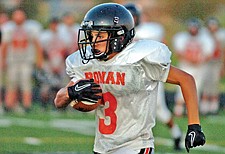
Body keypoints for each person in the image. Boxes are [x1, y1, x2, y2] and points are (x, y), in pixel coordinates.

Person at [54, 3, 205, 154]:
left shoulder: (139, 59)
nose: (93, 42)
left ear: (118, 36)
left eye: (99, 36)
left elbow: (186, 79)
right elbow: (59, 101)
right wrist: (71, 92)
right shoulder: (89, 63)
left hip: (136, 146)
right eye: (91, 35)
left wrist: (194, 126)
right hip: (102, 147)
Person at [124, 3, 182, 151]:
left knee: (160, 110)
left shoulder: (151, 31)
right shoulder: (120, 32)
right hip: (129, 77)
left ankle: (176, 133)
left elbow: (161, 50)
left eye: (134, 16)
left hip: (150, 75)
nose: (131, 19)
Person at [1, 8, 43, 113]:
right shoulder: (7, 28)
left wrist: (39, 59)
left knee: (26, 83)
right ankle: (9, 104)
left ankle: (26, 105)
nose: (18, 18)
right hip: (12, 60)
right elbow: (4, 46)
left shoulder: (31, 27)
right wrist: (3, 59)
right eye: (16, 15)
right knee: (11, 82)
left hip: (26, 60)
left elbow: (37, 45)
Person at [172, 18, 215, 117]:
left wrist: (199, 61)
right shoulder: (181, 37)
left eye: (195, 27)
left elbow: (209, 54)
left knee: (196, 88)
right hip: (185, 65)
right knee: (181, 88)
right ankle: (178, 109)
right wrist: (190, 59)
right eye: (191, 27)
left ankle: (190, 111)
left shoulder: (205, 38)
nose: (193, 29)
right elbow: (179, 53)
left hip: (199, 67)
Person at [38, 17, 67, 110]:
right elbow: (43, 52)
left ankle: (59, 105)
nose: (55, 26)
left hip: (60, 63)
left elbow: (65, 51)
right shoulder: (44, 36)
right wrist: (50, 65)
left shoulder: (63, 36)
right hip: (49, 64)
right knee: (46, 85)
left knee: (60, 85)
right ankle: (44, 105)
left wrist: (59, 65)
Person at [200, 17, 225, 115]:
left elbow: (222, 51)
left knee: (214, 84)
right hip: (206, 61)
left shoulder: (221, 35)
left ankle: (213, 107)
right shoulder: (204, 35)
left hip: (216, 61)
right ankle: (204, 107)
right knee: (205, 83)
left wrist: (223, 65)